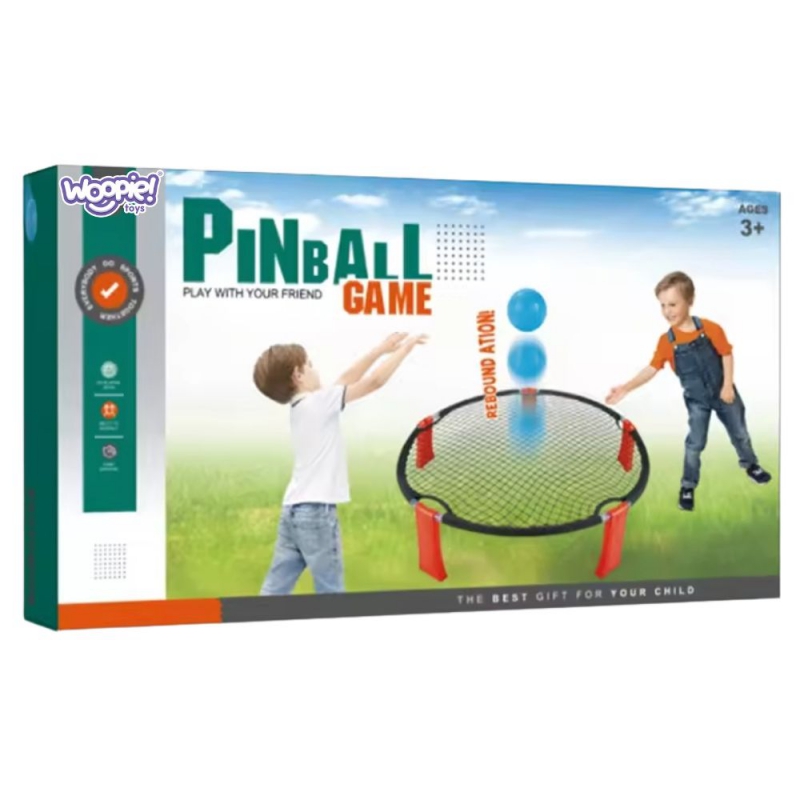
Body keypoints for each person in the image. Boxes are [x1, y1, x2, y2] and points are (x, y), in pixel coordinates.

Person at [252, 332, 428, 593]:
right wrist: (406, 349)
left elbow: (346, 379)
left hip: (292, 511)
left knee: (275, 587)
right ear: (298, 375)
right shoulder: (319, 403)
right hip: (316, 513)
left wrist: (380, 349)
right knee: (330, 589)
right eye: (309, 365)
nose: (315, 369)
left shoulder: (304, 407)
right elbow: (374, 382)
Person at [606, 271, 771, 511]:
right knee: (694, 443)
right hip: (697, 401)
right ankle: (688, 485)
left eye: (673, 304)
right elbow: (652, 368)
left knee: (740, 434)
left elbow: (726, 354)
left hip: (724, 393)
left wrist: (727, 385)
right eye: (662, 305)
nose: (667, 311)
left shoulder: (711, 328)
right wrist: (626, 388)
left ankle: (751, 465)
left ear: (690, 301)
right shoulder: (667, 341)